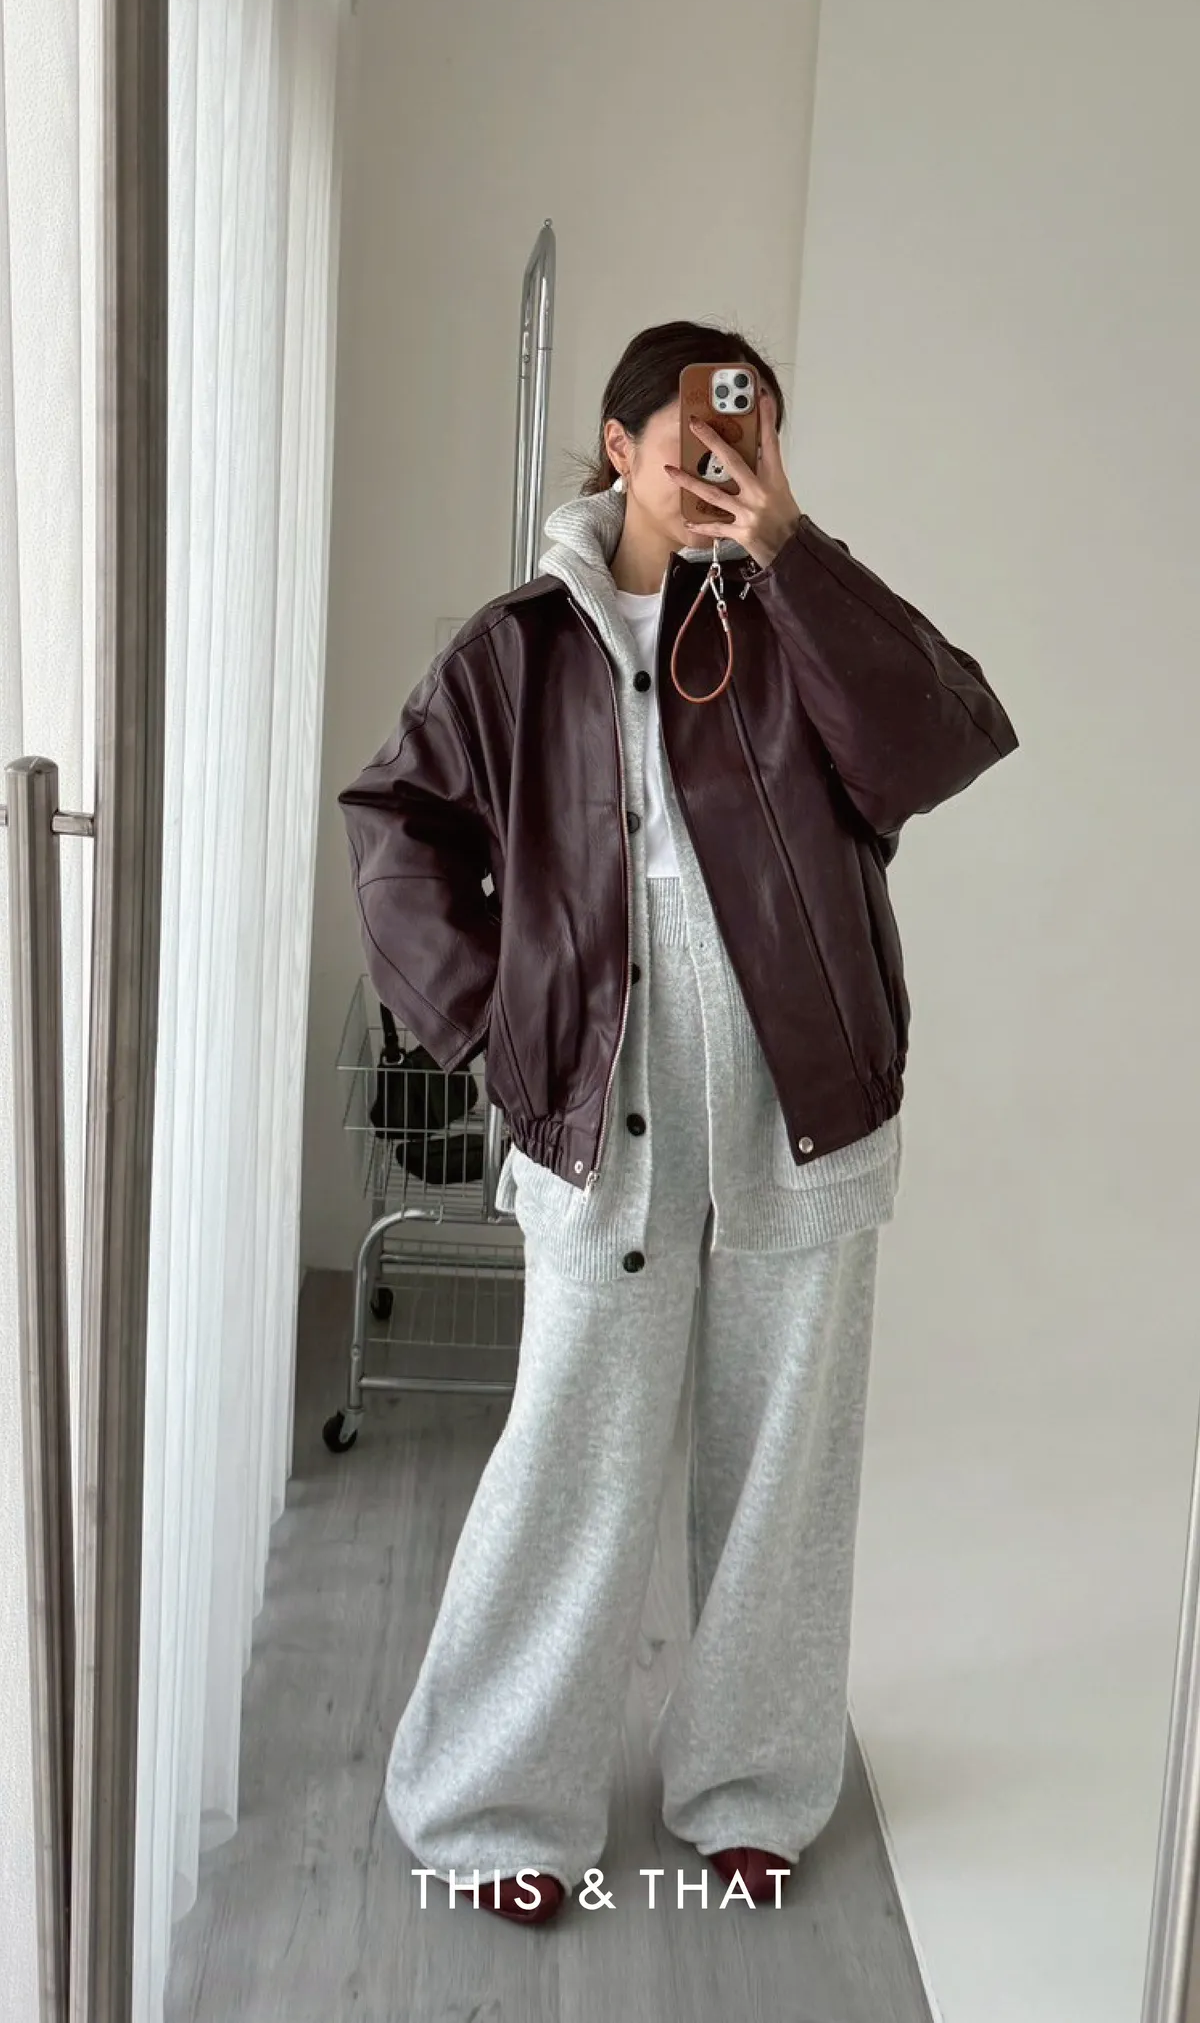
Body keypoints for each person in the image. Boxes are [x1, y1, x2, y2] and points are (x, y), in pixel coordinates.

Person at [337, 319, 1020, 1925]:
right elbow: (396, 826)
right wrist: (496, 1024)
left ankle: (754, 1788)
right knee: (573, 1449)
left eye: (754, 440)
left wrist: (793, 547)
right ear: (619, 444)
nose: (723, 466)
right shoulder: (518, 648)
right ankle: (497, 1802)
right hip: (607, 1090)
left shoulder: (794, 622)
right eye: (698, 443)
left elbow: (942, 741)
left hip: (804, 1088)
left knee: (787, 1459)